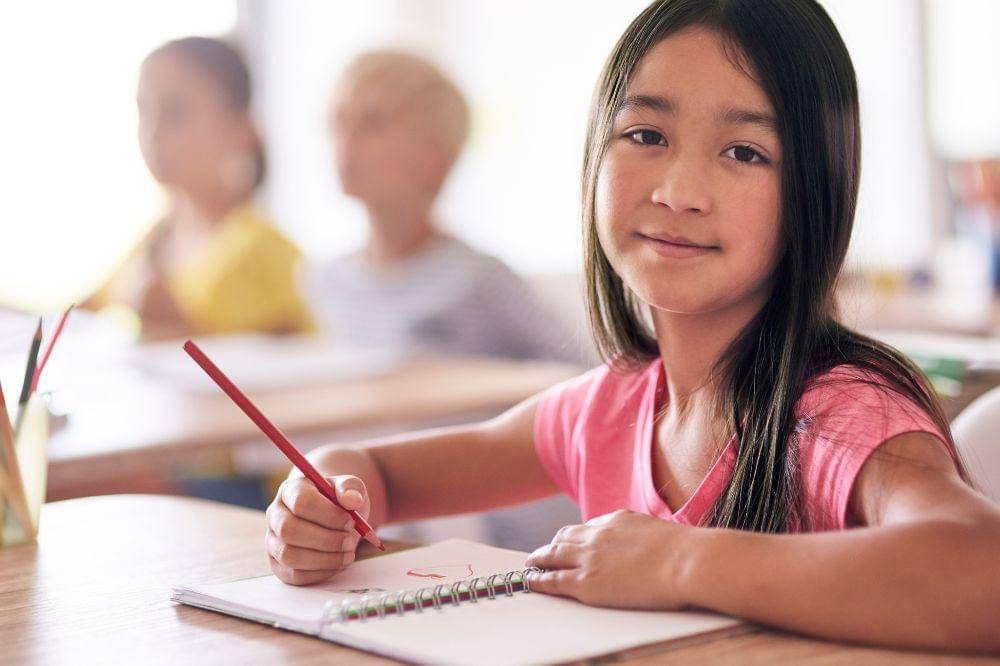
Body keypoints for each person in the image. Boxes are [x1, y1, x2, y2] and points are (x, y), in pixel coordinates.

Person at [263, 0, 1000, 653]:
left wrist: (679, 561)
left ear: (817, 190)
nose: (678, 191)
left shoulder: (837, 415)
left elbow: (983, 573)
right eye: (647, 135)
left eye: (744, 152)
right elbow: (377, 473)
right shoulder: (607, 409)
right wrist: (323, 497)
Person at [309, 50, 585, 365]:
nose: (346, 141)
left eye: (373, 123)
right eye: (339, 121)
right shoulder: (327, 282)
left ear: (437, 154)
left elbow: (577, 369)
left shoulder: (478, 279)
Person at [85, 37, 312, 340]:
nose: (152, 132)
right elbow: (75, 314)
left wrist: (182, 328)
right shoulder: (155, 238)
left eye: (174, 112)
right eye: (144, 111)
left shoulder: (269, 251)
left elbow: (302, 354)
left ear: (239, 126)